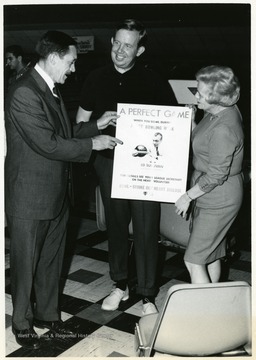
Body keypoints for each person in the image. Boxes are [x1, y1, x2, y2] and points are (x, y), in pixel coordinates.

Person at [5, 30, 122, 350]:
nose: (73, 69)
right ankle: (21, 321)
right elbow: (47, 143)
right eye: (70, 62)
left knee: (52, 260)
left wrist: (95, 125)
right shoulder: (24, 92)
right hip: (29, 194)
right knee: (26, 262)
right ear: (54, 57)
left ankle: (46, 314)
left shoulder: (50, 88)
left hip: (55, 191)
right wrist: (92, 143)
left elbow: (63, 131)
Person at [76, 19, 176, 316]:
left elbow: (172, 125)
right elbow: (80, 125)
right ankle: (119, 284)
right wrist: (97, 130)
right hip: (108, 165)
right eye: (116, 43)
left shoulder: (154, 79)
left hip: (145, 169)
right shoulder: (95, 77)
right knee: (116, 227)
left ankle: (147, 294)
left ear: (140, 50)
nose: (120, 50)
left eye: (128, 46)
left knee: (146, 230)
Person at [175, 65, 244, 284]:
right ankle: (215, 300)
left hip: (219, 196)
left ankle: (205, 313)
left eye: (201, 94)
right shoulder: (216, 112)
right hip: (209, 191)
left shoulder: (224, 127)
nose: (195, 95)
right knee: (210, 253)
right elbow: (205, 140)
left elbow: (216, 175)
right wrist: (193, 120)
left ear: (218, 99)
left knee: (193, 259)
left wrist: (187, 196)